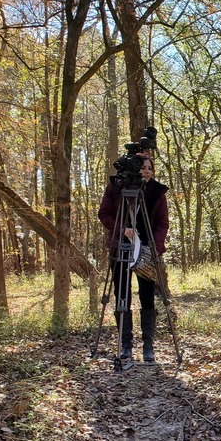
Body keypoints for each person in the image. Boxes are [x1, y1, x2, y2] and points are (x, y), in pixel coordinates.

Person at [98, 151, 169, 363]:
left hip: (146, 252)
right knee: (122, 296)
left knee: (147, 297)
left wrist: (154, 248)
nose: (146, 172)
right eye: (142, 168)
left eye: (149, 168)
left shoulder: (157, 192)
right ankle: (126, 344)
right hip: (121, 248)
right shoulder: (117, 187)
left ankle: (149, 346)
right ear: (133, 169)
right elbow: (104, 214)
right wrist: (122, 229)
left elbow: (162, 223)